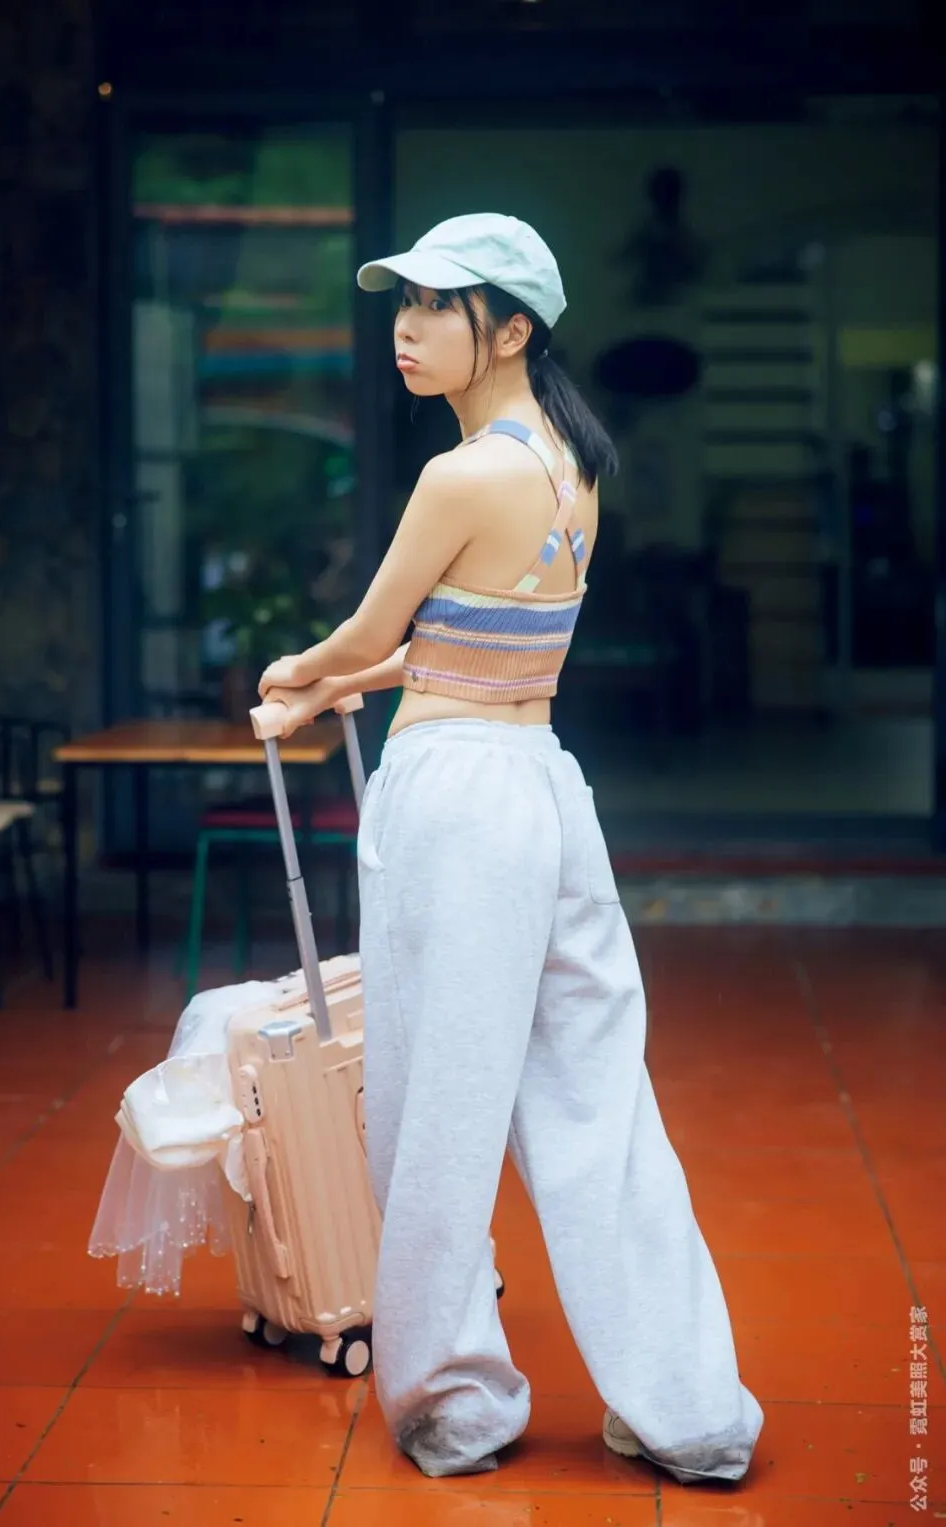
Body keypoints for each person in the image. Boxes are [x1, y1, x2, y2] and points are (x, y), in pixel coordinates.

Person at [257, 213, 763, 1486]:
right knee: (600, 1102)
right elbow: (468, 643)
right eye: (402, 304)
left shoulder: (461, 474)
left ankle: (456, 1404)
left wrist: (299, 673)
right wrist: (341, 687)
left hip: (456, 805)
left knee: (435, 1106)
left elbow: (371, 628)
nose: (406, 329)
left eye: (438, 306)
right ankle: (691, 1408)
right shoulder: (568, 464)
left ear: (511, 328)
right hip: (544, 793)